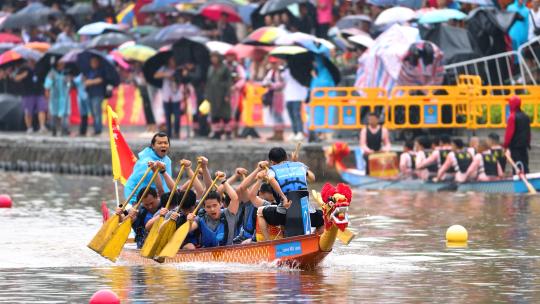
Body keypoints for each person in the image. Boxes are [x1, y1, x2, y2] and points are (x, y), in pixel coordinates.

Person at [185, 172, 240, 248]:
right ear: (204, 207)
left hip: (227, 253)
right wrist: (189, 222)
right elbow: (188, 229)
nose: (212, 209)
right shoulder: (202, 217)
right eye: (208, 207)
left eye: (215, 205)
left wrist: (224, 181)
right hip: (207, 255)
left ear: (220, 204)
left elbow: (235, 199)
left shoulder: (228, 214)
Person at [124, 132, 172, 205]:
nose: (163, 145)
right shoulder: (146, 162)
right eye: (160, 143)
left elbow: (166, 185)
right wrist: (133, 203)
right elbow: (131, 184)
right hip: (142, 202)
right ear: (153, 146)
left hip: (162, 200)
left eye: (165, 143)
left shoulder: (167, 160)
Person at [13, 61, 47, 134]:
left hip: (39, 91)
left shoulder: (40, 66)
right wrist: (23, 75)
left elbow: (43, 77)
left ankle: (42, 126)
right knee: (28, 111)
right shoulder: (23, 68)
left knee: (42, 109)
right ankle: (29, 127)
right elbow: (16, 78)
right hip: (28, 93)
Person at [154, 57, 183, 139]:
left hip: (176, 96)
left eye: (173, 60)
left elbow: (182, 78)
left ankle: (176, 132)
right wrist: (166, 74)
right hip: (166, 95)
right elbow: (156, 75)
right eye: (170, 60)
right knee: (167, 115)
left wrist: (175, 77)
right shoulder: (164, 68)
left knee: (177, 115)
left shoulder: (179, 69)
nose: (172, 62)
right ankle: (169, 133)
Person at [206, 52, 232, 140]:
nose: (213, 59)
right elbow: (208, 82)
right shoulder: (210, 68)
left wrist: (227, 94)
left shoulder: (225, 68)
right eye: (212, 57)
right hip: (213, 94)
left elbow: (229, 82)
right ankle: (217, 132)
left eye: (215, 57)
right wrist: (207, 95)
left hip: (222, 94)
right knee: (214, 114)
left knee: (225, 114)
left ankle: (228, 132)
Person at [503, 95, 531, 173]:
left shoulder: (512, 117)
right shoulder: (525, 116)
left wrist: (505, 145)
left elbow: (509, 133)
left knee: (517, 167)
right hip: (524, 146)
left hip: (515, 147)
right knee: (525, 166)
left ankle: (519, 183)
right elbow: (528, 132)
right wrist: (528, 143)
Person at [44, 60, 70, 136]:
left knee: (64, 114)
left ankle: (64, 130)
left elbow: (69, 84)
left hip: (64, 97)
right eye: (61, 63)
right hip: (54, 97)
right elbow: (47, 84)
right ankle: (54, 130)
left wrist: (68, 81)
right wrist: (47, 91)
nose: (62, 65)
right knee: (54, 114)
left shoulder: (66, 73)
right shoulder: (52, 73)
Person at [224, 51, 246, 138]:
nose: (229, 58)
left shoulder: (237, 67)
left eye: (231, 56)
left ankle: (232, 131)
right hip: (223, 91)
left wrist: (235, 86)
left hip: (234, 92)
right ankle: (223, 130)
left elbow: (243, 79)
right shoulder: (223, 66)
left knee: (234, 111)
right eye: (228, 56)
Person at [282, 66, 308, 141]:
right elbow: (283, 80)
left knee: (296, 114)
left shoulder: (300, 69)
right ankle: (294, 131)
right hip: (289, 95)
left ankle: (300, 131)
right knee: (291, 114)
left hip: (297, 95)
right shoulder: (286, 70)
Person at [262, 56, 285, 141]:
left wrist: (272, 85)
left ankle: (280, 134)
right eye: (272, 63)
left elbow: (282, 84)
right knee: (273, 114)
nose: (273, 65)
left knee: (278, 114)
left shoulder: (281, 72)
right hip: (271, 95)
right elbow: (265, 81)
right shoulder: (271, 72)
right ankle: (275, 133)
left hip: (278, 95)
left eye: (274, 63)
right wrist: (266, 84)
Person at [83, 55, 107, 136]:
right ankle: (95, 128)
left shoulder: (101, 70)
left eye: (95, 62)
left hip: (98, 94)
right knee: (93, 112)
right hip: (90, 93)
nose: (93, 63)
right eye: (92, 62)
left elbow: (100, 80)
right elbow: (85, 81)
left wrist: (91, 82)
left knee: (97, 112)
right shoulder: (89, 71)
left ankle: (98, 129)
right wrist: (87, 81)